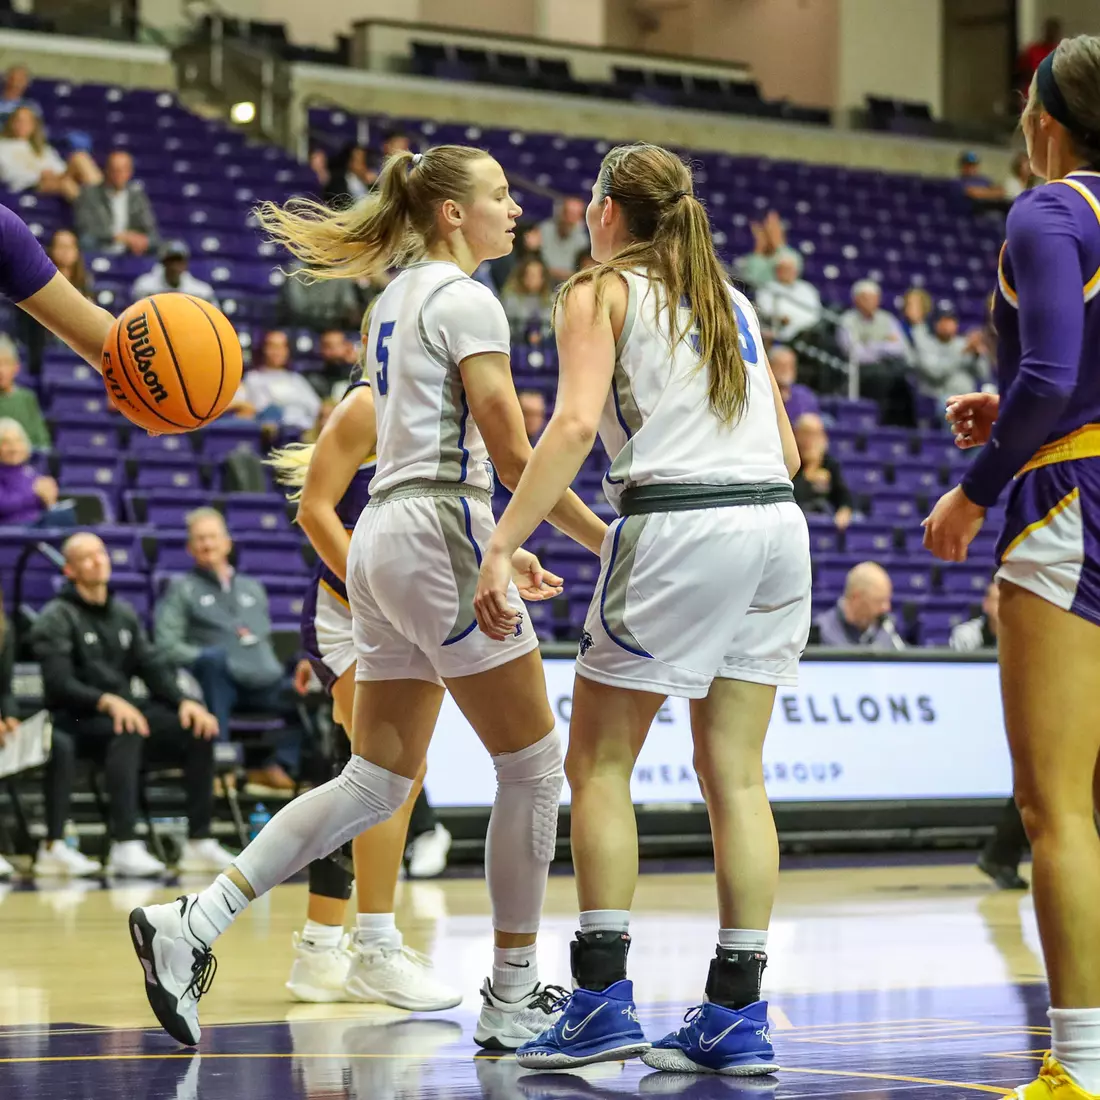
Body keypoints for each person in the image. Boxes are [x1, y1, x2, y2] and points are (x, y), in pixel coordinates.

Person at [126, 143, 607, 1051]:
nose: (516, 209)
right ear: (452, 213)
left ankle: (193, 919)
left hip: (385, 535)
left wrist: (495, 548)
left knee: (376, 779)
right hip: (436, 523)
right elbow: (514, 455)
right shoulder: (467, 300)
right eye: (500, 195)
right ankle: (513, 993)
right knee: (535, 766)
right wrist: (604, 541)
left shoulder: (392, 301)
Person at [473, 141, 807, 1075]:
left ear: (609, 210)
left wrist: (502, 543)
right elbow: (788, 454)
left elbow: (575, 425)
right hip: (776, 529)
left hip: (682, 522)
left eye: (590, 200)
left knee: (599, 763)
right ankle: (736, 1013)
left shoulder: (599, 289)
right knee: (736, 775)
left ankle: (599, 1002)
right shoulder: (730, 298)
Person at [923, 35, 1100, 1100]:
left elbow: (1048, 374)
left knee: (1055, 807)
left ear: (1041, 123)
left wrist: (972, 487)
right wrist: (1028, 412)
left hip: (1070, 504)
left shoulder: (1046, 211)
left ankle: (1078, 1065)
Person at [267, 368, 459, 1009]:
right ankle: (367, 945)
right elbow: (317, 516)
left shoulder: (437, 415)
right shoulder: (370, 403)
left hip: (401, 611)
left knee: (371, 780)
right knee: (384, 777)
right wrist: (377, 597)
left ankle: (321, 946)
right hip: (346, 612)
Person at [30, 532, 230, 877]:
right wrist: (106, 701)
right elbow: (59, 684)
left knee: (197, 728)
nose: (98, 561)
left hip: (124, 712)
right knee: (127, 728)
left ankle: (199, 841)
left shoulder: (122, 614)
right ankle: (125, 843)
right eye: (87, 557)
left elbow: (152, 666)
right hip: (75, 720)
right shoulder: (56, 616)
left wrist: (185, 701)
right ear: (69, 570)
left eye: (101, 553)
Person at [155, 508, 305, 794]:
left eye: (212, 537)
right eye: (200, 539)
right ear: (189, 548)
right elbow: (166, 645)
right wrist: (204, 657)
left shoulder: (253, 588)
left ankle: (277, 767)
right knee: (213, 667)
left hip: (264, 682)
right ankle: (218, 770)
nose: (207, 544)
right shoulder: (181, 590)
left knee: (307, 691)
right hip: (219, 684)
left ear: (227, 543)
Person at [815, 561, 905, 650]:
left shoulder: (887, 630)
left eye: (887, 600)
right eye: (878, 601)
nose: (886, 608)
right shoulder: (821, 632)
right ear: (856, 598)